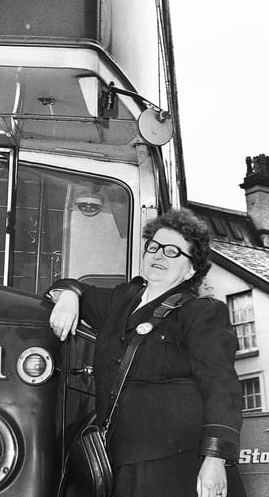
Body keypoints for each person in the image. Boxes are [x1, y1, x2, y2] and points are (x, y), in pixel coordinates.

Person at [46, 208, 246, 497]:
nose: (159, 255)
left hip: (177, 464)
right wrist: (67, 296)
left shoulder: (201, 312)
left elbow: (221, 386)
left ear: (191, 269)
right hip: (120, 461)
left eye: (172, 251)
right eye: (153, 247)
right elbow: (72, 287)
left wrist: (215, 459)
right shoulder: (121, 300)